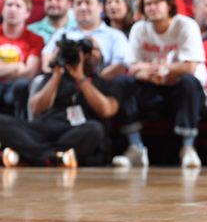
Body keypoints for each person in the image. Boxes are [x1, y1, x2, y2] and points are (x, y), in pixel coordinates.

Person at [112, 0, 207, 169]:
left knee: (189, 82)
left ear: (169, 5)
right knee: (122, 83)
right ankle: (135, 147)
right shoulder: (139, 28)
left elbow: (189, 67)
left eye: (156, 3)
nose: (151, 7)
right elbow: (133, 69)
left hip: (181, 88)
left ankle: (188, 148)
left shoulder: (186, 25)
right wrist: (163, 71)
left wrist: (156, 69)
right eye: (147, 4)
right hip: (152, 86)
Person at [0, 37, 120, 168]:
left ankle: (30, 156)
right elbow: (36, 109)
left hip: (75, 132)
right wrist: (56, 75)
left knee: (95, 129)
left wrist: (80, 78)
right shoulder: (53, 77)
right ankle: (52, 158)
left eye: (93, 49)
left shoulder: (103, 83)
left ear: (101, 55)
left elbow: (106, 110)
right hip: (42, 130)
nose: (88, 54)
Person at [0, 0, 44, 118]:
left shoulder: (35, 39)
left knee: (23, 84)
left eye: (18, 6)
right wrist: (17, 67)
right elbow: (24, 69)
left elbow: (30, 72)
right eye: (9, 5)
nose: (12, 9)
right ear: (2, 10)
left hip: (15, 89)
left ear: (27, 13)